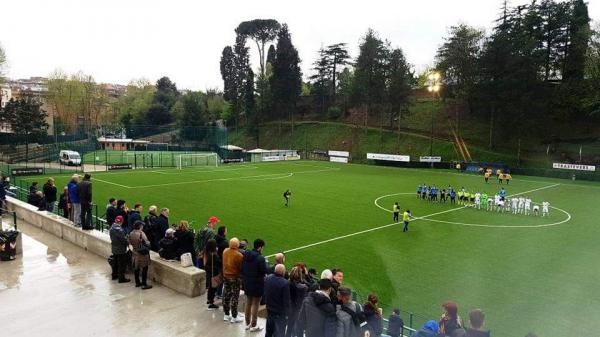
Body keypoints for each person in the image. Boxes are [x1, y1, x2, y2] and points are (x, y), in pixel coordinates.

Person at [242, 238, 268, 332]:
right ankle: (253, 324)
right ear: (260, 247)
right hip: (257, 283)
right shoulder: (260, 258)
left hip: (247, 282)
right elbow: (264, 271)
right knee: (256, 304)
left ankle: (247, 323)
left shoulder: (246, 254)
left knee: (248, 302)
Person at [264, 264, 291, 337]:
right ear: (283, 272)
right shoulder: (285, 283)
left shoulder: (268, 278)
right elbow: (286, 301)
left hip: (269, 309)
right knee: (279, 333)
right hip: (279, 313)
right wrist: (287, 314)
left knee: (269, 331)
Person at [222, 237, 244, 323]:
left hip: (226, 276)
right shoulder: (239, 255)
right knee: (235, 297)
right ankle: (234, 316)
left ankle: (226, 314)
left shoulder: (225, 251)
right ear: (237, 245)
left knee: (226, 296)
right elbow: (240, 267)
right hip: (234, 278)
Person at [129, 220, 152, 289]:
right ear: (140, 226)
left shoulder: (131, 233)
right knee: (145, 268)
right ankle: (144, 284)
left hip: (135, 253)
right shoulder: (141, 233)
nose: (142, 227)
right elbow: (147, 243)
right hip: (143, 254)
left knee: (136, 268)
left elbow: (129, 242)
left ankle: (137, 282)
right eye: (142, 225)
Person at [287, 266, 308, 337]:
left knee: (289, 328)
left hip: (290, 309)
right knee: (299, 331)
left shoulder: (287, 283)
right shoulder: (304, 287)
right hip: (299, 311)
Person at [109, 215, 130, 283]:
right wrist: (127, 242)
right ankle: (121, 278)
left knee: (115, 262)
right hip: (120, 249)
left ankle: (114, 275)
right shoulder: (119, 230)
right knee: (121, 264)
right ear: (121, 221)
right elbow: (123, 240)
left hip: (114, 247)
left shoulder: (112, 227)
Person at [204, 239, 221, 310]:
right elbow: (219, 264)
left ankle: (209, 300)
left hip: (209, 273)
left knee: (210, 288)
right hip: (214, 274)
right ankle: (211, 303)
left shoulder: (207, 253)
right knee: (213, 288)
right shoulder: (214, 255)